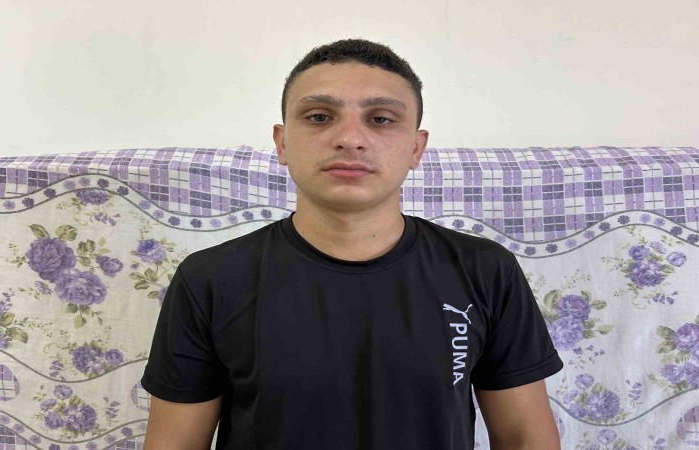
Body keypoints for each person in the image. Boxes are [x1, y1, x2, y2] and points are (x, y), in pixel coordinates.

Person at [141, 38, 563, 449]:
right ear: (282, 142)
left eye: (380, 119)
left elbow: (525, 438)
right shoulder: (211, 279)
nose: (350, 138)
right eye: (319, 116)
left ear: (416, 148)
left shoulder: (484, 270)